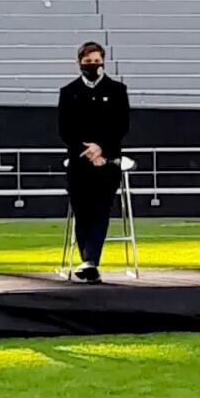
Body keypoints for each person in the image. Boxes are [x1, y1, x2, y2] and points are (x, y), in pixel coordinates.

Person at [58, 42, 130, 283]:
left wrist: (101, 149)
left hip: (107, 163)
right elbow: (65, 130)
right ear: (79, 63)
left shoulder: (118, 90)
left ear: (104, 61)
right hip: (79, 164)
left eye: (96, 61)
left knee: (101, 211)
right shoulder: (69, 92)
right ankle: (88, 262)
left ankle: (90, 261)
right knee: (83, 212)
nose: (92, 66)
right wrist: (87, 151)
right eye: (88, 62)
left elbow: (122, 125)